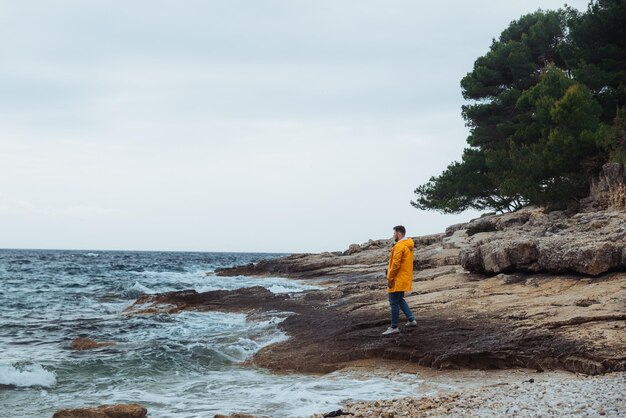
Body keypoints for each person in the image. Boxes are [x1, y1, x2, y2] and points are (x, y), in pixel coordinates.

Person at [382, 225, 417, 336]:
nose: (393, 236)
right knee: (400, 299)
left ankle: (394, 327)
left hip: (397, 279)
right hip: (403, 278)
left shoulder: (399, 246)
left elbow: (396, 264)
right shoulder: (408, 245)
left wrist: (390, 278)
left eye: (394, 233)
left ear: (398, 233)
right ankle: (411, 320)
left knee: (394, 302)